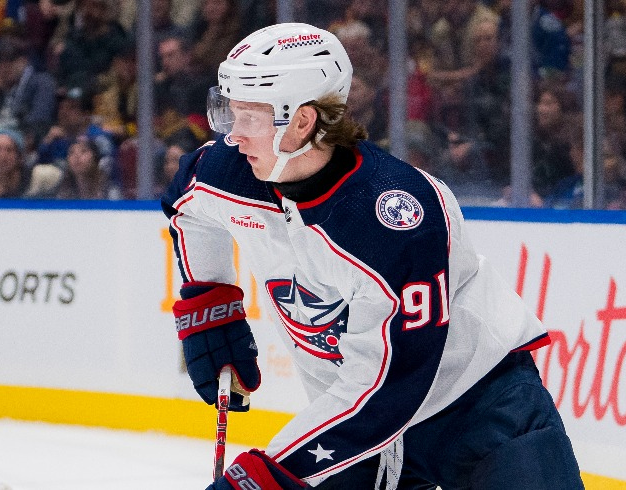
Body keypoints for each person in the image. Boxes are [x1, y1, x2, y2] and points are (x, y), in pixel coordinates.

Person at [160, 23, 583, 490]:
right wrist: (209, 302)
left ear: (302, 122)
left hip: (478, 406)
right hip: (353, 430)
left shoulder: (395, 217)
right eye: (229, 112)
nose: (233, 136)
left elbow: (388, 387)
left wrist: (269, 478)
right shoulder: (230, 168)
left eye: (250, 118)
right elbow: (187, 204)